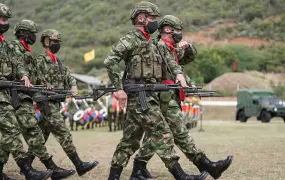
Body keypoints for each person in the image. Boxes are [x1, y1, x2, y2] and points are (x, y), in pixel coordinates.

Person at [104, 1, 208, 180]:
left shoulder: (151, 43)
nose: (154, 22)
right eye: (152, 18)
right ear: (141, 17)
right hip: (140, 96)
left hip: (148, 94)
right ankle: (180, 176)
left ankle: (114, 177)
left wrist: (181, 78)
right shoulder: (130, 39)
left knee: (130, 141)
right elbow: (110, 61)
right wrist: (118, 89)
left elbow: (169, 63)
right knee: (163, 133)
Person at [133, 15, 233, 180]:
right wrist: (182, 79)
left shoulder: (169, 47)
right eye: (177, 30)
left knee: (158, 136)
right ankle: (207, 165)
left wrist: (189, 81)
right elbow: (173, 70)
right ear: (167, 29)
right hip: (163, 97)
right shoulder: (160, 46)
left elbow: (181, 65)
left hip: (168, 96)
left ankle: (139, 167)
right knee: (180, 133)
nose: (180, 33)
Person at [10, 19, 75, 180]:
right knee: (20, 133)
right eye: (31, 33)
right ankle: (70, 165)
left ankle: (28, 166)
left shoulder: (31, 54)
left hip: (30, 97)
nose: (33, 36)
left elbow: (37, 76)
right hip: (21, 96)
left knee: (19, 134)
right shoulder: (18, 50)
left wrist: (46, 85)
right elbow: (21, 70)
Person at [28, 29, 99, 177]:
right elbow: (33, 79)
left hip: (55, 102)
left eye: (58, 42)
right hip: (46, 103)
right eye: (55, 42)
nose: (57, 44)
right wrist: (40, 89)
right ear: (46, 42)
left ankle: (26, 165)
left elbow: (69, 76)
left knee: (40, 137)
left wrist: (73, 86)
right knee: (63, 133)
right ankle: (79, 165)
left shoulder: (58, 62)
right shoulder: (40, 60)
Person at [0, 4, 53, 180]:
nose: (4, 22)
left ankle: (25, 170)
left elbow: (17, 64)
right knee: (12, 131)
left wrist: (23, 76)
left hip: (4, 93)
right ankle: (28, 170)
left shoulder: (4, 44)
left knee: (10, 132)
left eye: (6, 19)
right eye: (2, 19)